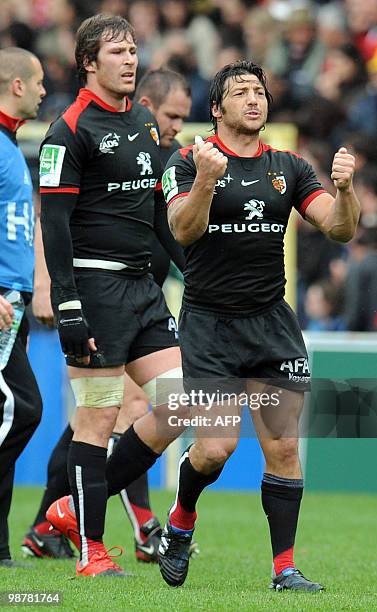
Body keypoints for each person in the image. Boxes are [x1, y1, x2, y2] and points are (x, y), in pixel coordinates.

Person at [158, 60, 360, 591]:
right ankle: (180, 520)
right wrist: (206, 180)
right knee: (216, 449)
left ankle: (284, 569)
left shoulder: (290, 166)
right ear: (217, 108)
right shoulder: (187, 160)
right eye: (240, 92)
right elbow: (183, 229)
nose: (254, 99)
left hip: (272, 323)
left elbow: (339, 228)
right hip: (210, 325)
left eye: (260, 91)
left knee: (285, 449)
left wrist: (346, 191)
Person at [22, 67, 192, 563]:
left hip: (143, 292)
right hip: (96, 295)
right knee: (95, 421)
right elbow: (52, 221)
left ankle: (71, 509)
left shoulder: (141, 120)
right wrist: (65, 302)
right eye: (117, 50)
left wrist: (194, 273)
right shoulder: (68, 129)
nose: (129, 59)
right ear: (90, 62)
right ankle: (91, 551)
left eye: (133, 49)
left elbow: (160, 211)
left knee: (182, 402)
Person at [0, 47, 45, 567]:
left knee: (7, 411)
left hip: (14, 299)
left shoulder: (11, 145)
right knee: (21, 409)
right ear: (15, 86)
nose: (41, 90)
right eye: (35, 83)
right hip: (2, 299)